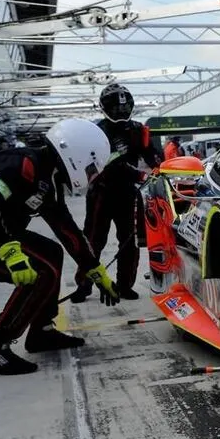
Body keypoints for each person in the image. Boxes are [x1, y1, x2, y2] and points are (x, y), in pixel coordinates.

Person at [0, 118, 120, 375]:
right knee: (40, 273)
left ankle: (41, 332)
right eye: (91, 168)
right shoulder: (22, 164)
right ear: (76, 154)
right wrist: (10, 252)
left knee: (52, 253)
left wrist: (94, 269)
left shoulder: (47, 175)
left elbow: (65, 227)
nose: (90, 174)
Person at [72, 83, 161, 303]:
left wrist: (163, 168)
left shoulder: (139, 130)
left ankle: (125, 285)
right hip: (101, 193)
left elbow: (153, 156)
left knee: (129, 241)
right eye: (116, 108)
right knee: (93, 240)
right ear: (105, 108)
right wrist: (140, 175)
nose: (121, 111)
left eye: (125, 107)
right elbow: (107, 164)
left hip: (127, 194)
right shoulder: (96, 132)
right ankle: (83, 285)